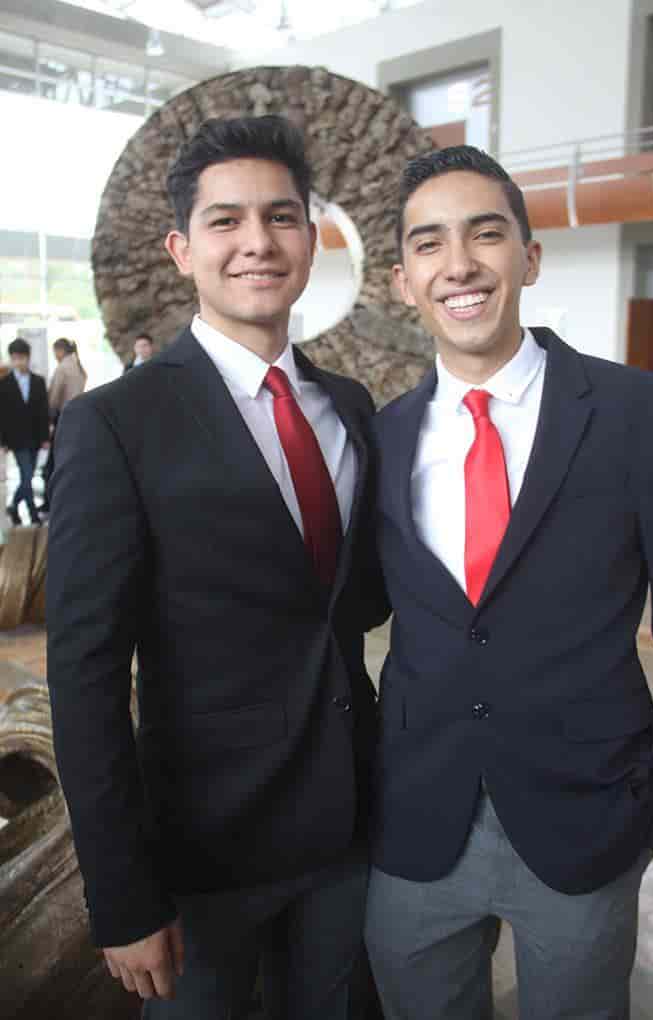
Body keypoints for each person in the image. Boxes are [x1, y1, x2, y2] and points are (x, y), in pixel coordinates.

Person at [47, 115, 386, 1020]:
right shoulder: (115, 423)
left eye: (281, 217)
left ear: (311, 239)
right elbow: (84, 675)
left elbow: (352, 606)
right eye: (225, 221)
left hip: (350, 830)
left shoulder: (351, 409)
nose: (256, 242)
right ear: (182, 250)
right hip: (201, 857)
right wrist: (121, 895)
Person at [364, 145, 653, 1020]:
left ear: (529, 258)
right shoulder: (381, 437)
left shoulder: (642, 414)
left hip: (587, 819)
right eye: (429, 243)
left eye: (486, 234)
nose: (459, 264)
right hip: (417, 818)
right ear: (402, 281)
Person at [0, 337, 50, 525]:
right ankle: (32, 513)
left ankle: (14, 506)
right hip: (16, 439)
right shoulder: (4, 384)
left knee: (27, 476)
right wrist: (2, 441)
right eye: (14, 358)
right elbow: (2, 415)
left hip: (35, 437)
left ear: (28, 358)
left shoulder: (38, 381)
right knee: (27, 474)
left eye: (21, 358)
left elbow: (43, 412)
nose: (18, 362)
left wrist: (45, 437)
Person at [40, 337, 87, 513]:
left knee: (52, 465)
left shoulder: (62, 368)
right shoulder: (78, 366)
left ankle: (50, 502)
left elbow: (54, 398)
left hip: (63, 417)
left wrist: (48, 419)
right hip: (77, 418)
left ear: (59, 350)